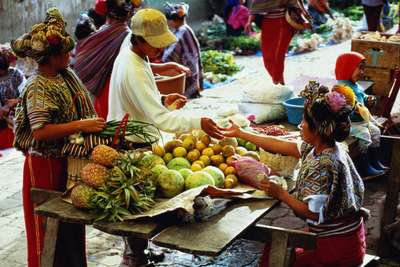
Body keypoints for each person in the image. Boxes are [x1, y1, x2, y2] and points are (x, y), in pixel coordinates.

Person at [107, 8, 225, 266]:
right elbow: (163, 119)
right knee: (137, 210)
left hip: (135, 137)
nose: (161, 49)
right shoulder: (133, 66)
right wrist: (199, 122)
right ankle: (133, 257)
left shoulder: (133, 56)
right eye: (155, 44)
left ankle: (138, 251)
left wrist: (161, 99)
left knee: (139, 206)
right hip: (131, 146)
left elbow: (141, 99)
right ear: (138, 39)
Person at [222, 81, 366, 267]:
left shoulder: (322, 165)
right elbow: (278, 144)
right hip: (350, 238)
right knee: (274, 249)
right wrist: (241, 133)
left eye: (304, 121)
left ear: (317, 129)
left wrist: (281, 194)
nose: (300, 125)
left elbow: (313, 214)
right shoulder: (327, 146)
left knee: (274, 255)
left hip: (337, 250)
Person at [11, 8, 106, 267]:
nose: (70, 55)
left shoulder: (65, 77)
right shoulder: (37, 86)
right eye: (64, 52)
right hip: (44, 167)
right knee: (47, 233)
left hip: (65, 161)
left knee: (70, 229)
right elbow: (40, 131)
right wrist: (82, 125)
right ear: (50, 57)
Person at [74, 0, 141, 120]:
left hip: (101, 92)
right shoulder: (127, 37)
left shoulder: (97, 34)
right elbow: (134, 65)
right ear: (130, 14)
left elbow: (79, 60)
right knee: (116, 127)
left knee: (105, 129)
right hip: (115, 91)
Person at [335, 52, 387, 177]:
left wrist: (368, 99)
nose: (363, 72)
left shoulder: (354, 85)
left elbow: (362, 96)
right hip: (348, 123)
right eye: (360, 68)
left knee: (375, 131)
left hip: (360, 122)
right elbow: (342, 110)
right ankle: (364, 167)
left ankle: (375, 161)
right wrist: (353, 109)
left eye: (364, 68)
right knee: (365, 134)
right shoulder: (341, 88)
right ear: (347, 68)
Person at [245, 0, 297, 85]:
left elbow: (295, 4)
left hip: (284, 23)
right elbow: (255, 8)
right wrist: (249, 22)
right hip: (267, 25)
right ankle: (279, 81)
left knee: (278, 55)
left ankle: (278, 83)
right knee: (268, 56)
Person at [162, 2, 203, 98]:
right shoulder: (186, 29)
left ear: (173, 20)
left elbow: (169, 56)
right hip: (192, 72)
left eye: (168, 20)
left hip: (187, 74)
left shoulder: (181, 32)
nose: (168, 23)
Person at [0, 46, 25, 150]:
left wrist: (14, 102)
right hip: (4, 118)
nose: (2, 74)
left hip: (19, 111)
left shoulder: (16, 74)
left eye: (4, 71)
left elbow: (27, 95)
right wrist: (2, 109)